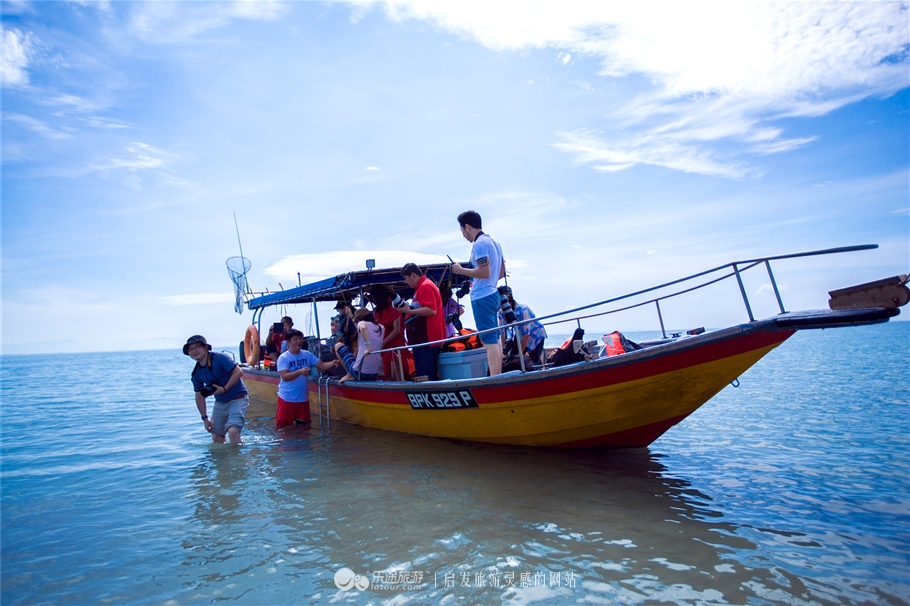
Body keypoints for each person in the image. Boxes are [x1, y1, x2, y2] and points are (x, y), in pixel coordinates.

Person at [451, 210, 506, 376]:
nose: (463, 235)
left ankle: (495, 380)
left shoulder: (479, 244)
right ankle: (498, 375)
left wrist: (460, 270)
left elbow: (484, 272)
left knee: (489, 343)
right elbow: (501, 273)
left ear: (467, 227)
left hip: (482, 297)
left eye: (462, 230)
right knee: (495, 340)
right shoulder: (495, 243)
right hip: (493, 294)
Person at [184, 335, 249, 444]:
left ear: (205, 347)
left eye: (197, 347)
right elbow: (199, 396)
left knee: (232, 431)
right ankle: (223, 460)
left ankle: (238, 460)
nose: (194, 351)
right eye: (190, 349)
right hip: (220, 402)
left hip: (238, 398)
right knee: (216, 438)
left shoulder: (220, 358)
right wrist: (205, 419)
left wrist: (224, 388)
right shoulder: (196, 373)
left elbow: (238, 372)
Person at [276, 329, 337, 428]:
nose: (298, 341)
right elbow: (285, 377)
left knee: (305, 428)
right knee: (283, 429)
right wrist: (300, 372)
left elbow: (322, 365)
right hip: (287, 398)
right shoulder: (284, 358)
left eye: (300, 339)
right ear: (288, 342)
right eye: (295, 339)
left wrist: (333, 363)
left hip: (303, 399)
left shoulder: (307, 354)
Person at [398, 263, 445, 380]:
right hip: (424, 342)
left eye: (406, 278)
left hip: (427, 342)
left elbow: (431, 310)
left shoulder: (425, 287)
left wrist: (408, 310)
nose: (406, 282)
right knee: (425, 376)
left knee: (426, 378)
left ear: (413, 275)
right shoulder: (422, 287)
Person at [369, 283, 413, 381]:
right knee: (386, 375)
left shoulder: (394, 309)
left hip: (395, 346)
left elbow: (396, 330)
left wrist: (383, 343)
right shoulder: (377, 311)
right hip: (383, 347)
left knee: (396, 377)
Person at [333, 308, 385, 383]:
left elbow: (362, 327)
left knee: (338, 345)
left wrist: (368, 348)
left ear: (360, 320)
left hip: (359, 373)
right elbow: (362, 328)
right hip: (374, 374)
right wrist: (351, 315)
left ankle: (349, 374)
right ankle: (351, 374)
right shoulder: (381, 328)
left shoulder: (362, 324)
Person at [500, 286, 548, 365]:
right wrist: (503, 353)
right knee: (511, 361)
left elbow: (526, 335)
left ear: (507, 298)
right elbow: (502, 332)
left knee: (532, 362)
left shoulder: (523, 309)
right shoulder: (501, 312)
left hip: (535, 334)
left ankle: (540, 369)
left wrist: (520, 357)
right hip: (518, 336)